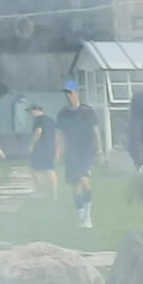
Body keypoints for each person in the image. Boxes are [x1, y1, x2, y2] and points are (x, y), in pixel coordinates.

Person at [56, 79, 103, 229]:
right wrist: (58, 152)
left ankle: (88, 214)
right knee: (75, 184)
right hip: (71, 152)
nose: (68, 96)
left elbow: (96, 132)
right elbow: (60, 135)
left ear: (76, 93)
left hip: (86, 151)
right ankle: (81, 213)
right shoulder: (63, 114)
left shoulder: (87, 112)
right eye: (66, 94)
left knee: (84, 180)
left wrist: (100, 150)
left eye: (70, 93)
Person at [28, 105, 58, 199]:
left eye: (31, 111)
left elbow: (38, 132)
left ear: (37, 110)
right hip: (50, 147)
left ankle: (39, 191)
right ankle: (54, 194)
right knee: (50, 170)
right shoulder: (51, 120)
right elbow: (56, 134)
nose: (30, 114)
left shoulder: (39, 119)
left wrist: (31, 144)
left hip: (40, 147)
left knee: (34, 169)